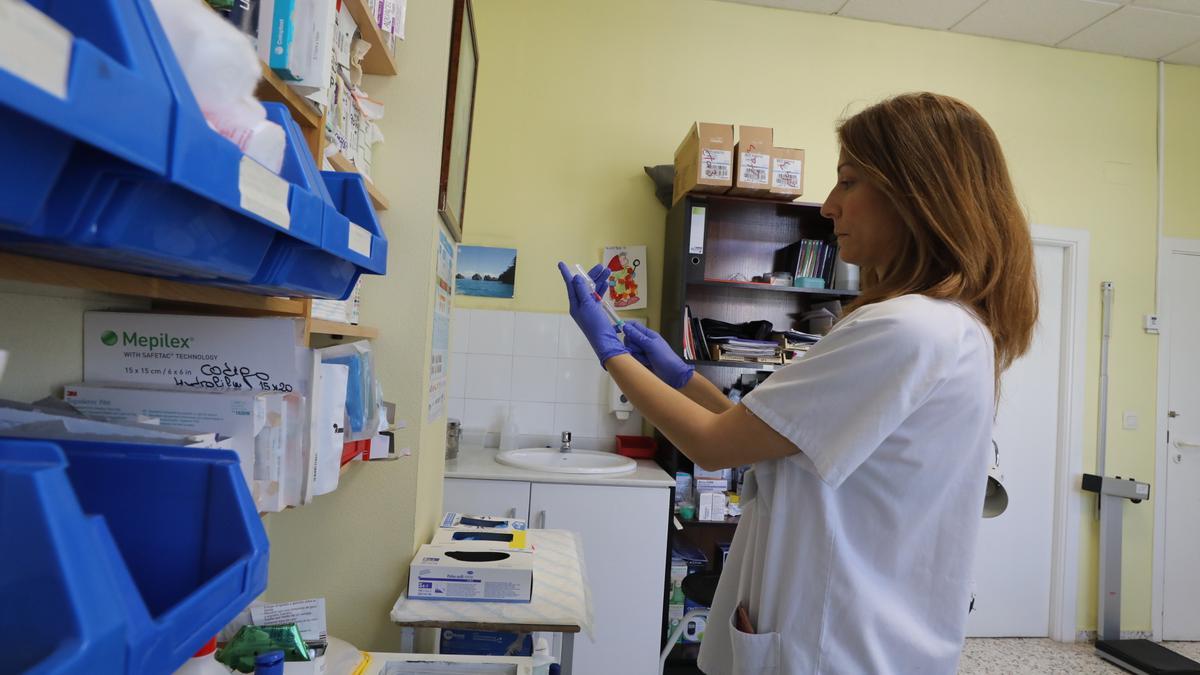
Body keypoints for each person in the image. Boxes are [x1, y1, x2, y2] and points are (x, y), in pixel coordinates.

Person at [557, 92, 1038, 674]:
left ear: (919, 194)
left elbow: (714, 444)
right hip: (856, 627)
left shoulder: (906, 326)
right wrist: (680, 375)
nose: (829, 206)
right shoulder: (946, 325)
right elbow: (766, 431)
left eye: (849, 181)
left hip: (839, 641)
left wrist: (611, 356)